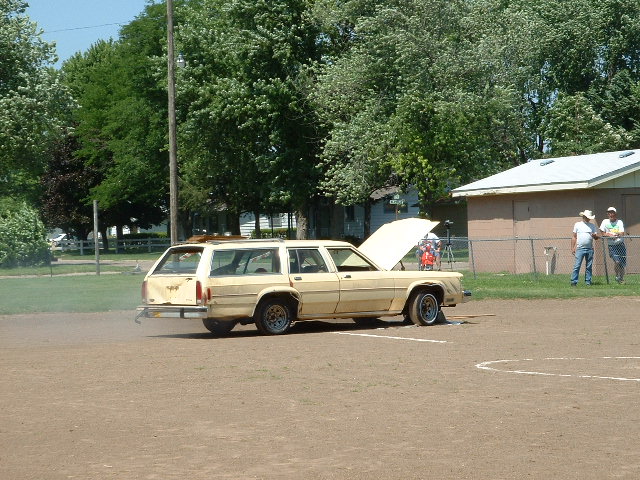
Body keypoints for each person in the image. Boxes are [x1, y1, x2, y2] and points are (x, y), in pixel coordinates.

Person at [570, 209, 599, 286]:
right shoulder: (577, 224)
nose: (588, 218)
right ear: (584, 216)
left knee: (589, 266)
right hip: (580, 248)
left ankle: (588, 282)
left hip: (590, 249)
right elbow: (574, 237)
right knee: (577, 266)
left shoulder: (592, 226)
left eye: (589, 217)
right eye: (587, 217)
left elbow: (596, 237)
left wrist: (594, 236)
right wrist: (573, 248)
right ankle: (574, 282)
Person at [599, 206, 626, 284]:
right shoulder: (605, 222)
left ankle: (621, 278)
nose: (611, 214)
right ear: (608, 214)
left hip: (620, 245)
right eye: (609, 213)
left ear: (615, 214)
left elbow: (621, 233)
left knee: (622, 263)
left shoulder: (619, 222)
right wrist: (609, 235)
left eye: (612, 212)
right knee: (617, 261)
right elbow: (602, 232)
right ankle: (617, 275)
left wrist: (615, 234)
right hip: (612, 246)